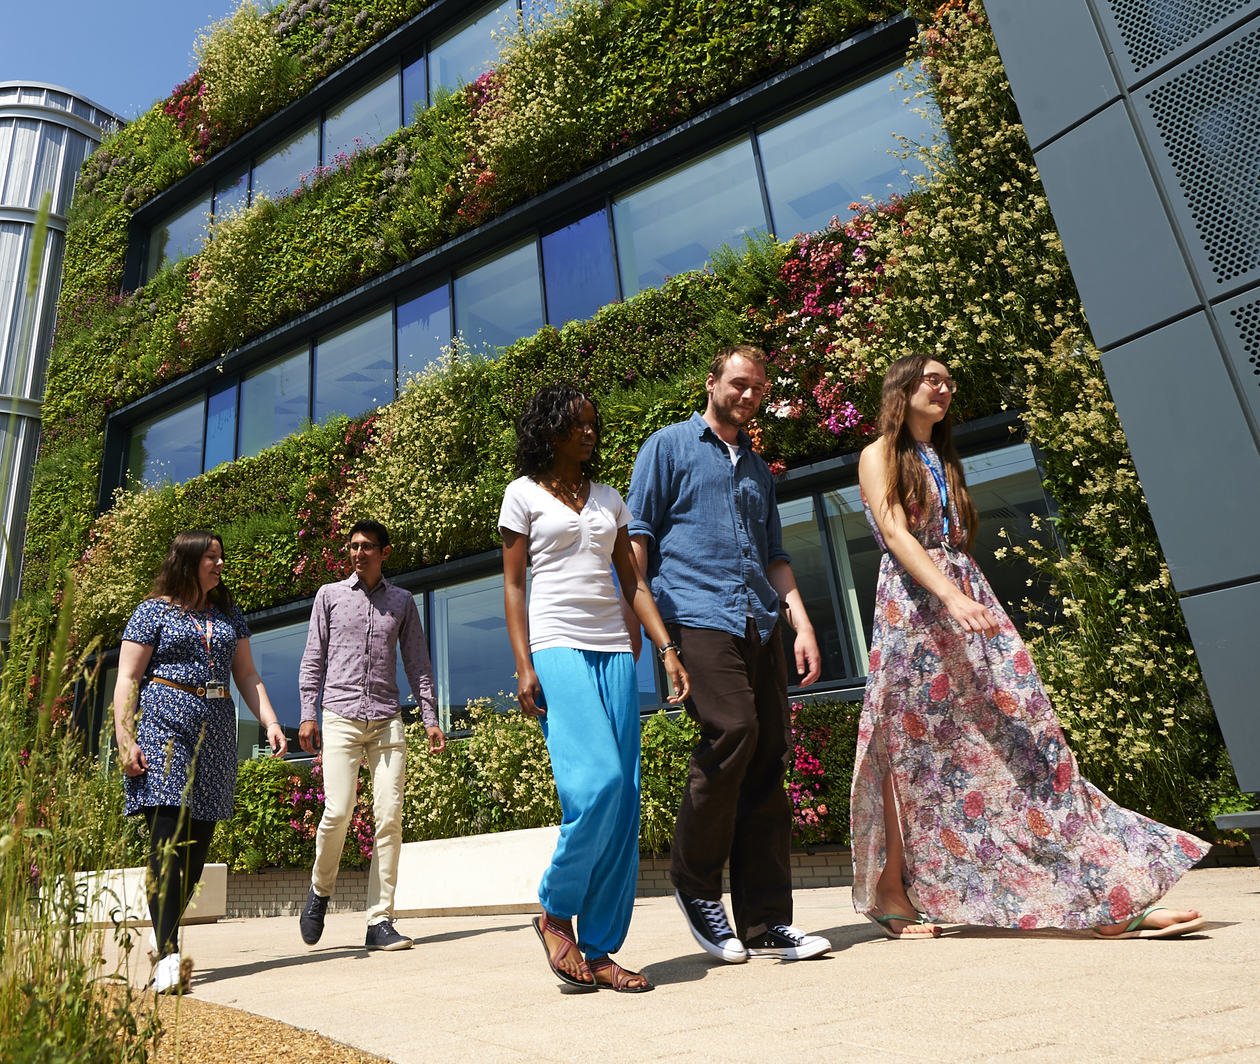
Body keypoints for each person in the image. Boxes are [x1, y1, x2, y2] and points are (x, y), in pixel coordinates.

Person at [851, 353, 1210, 940]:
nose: (945, 388)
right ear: (902, 387)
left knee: (1030, 743)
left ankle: (1108, 894)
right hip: (917, 615)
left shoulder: (942, 459)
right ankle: (894, 895)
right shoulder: (879, 454)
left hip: (966, 602)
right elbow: (894, 533)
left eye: (949, 380)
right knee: (912, 753)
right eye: (932, 379)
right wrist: (950, 597)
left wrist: (967, 598)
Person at [626, 344, 832, 963]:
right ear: (711, 381)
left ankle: (766, 923)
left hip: (759, 621)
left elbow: (775, 555)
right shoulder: (668, 447)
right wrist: (651, 641)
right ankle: (694, 884)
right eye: (739, 383)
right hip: (694, 614)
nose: (748, 395)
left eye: (758, 389)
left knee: (768, 757)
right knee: (732, 729)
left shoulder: (759, 471)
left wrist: (802, 624)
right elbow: (637, 543)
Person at [500, 384, 689, 993]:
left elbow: (634, 585)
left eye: (593, 424)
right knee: (598, 781)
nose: (590, 433)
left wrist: (666, 649)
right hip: (555, 645)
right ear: (551, 429)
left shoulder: (609, 499)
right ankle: (555, 908)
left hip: (614, 649)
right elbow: (513, 588)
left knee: (625, 797)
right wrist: (524, 664)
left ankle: (601, 949)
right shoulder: (522, 494)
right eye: (578, 424)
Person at [114, 530, 288, 994]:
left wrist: (271, 721)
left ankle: (162, 931)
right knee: (168, 833)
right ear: (188, 561)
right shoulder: (153, 611)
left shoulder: (229, 615)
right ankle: (169, 952)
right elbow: (128, 677)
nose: (219, 564)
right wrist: (125, 739)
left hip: (216, 728)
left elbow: (247, 675)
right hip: (166, 722)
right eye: (211, 557)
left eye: (221, 557)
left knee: (198, 841)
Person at [297, 519, 445, 952]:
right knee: (338, 812)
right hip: (340, 715)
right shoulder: (329, 596)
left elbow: (417, 662)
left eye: (367, 547)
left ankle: (379, 920)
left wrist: (430, 717)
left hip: (386, 719)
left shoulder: (401, 601)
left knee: (389, 817)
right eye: (353, 546)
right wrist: (308, 715)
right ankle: (320, 891)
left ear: (384, 552)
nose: (358, 553)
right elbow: (313, 659)